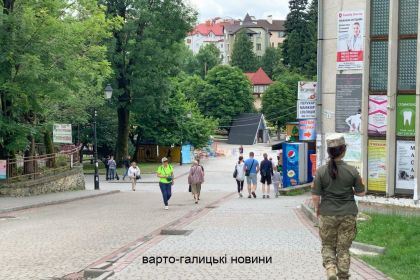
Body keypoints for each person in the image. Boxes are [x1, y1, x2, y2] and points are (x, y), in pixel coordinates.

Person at [312, 135, 366, 280]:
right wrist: (354, 190)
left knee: (328, 245)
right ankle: (343, 276)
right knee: (343, 248)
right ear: (343, 151)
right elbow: (361, 192)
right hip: (348, 214)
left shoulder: (321, 171)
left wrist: (317, 209)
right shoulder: (352, 171)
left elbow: (315, 196)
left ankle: (330, 268)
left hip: (327, 213)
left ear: (329, 152)